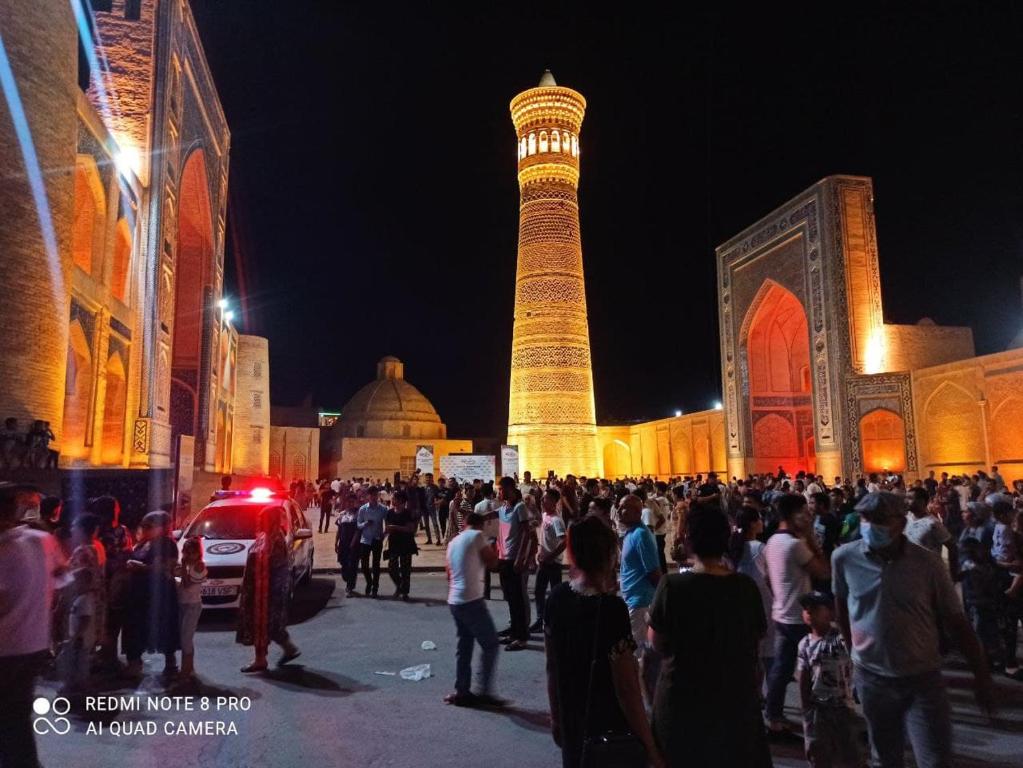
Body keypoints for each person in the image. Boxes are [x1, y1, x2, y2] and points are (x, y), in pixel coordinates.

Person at [833, 492, 995, 767]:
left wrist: (981, 674)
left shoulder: (927, 564)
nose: (870, 525)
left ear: (900, 522)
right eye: (866, 518)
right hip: (873, 678)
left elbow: (956, 621)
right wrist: (855, 658)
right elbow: (843, 610)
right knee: (885, 757)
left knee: (934, 758)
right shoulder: (844, 558)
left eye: (880, 519)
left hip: (922, 678)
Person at [648, 505, 769, 767]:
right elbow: (755, 643)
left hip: (682, 701)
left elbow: (655, 642)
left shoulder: (672, 587)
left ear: (689, 540)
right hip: (735, 701)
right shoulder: (745, 588)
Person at [544, 516, 664, 768]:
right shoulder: (611, 609)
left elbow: (552, 666)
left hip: (572, 719)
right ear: (609, 556)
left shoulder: (557, 598)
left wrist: (556, 717)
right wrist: (651, 746)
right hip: (606, 724)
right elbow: (627, 687)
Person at [0, 483, 67, 768]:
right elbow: (63, 576)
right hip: (34, 644)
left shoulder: (5, 550)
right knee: (16, 717)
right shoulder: (41, 540)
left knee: (10, 719)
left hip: (7, 649)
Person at [763, 492, 830, 738]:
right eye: (804, 511)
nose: (808, 516)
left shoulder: (772, 542)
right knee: (817, 669)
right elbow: (823, 572)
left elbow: (768, 577)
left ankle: (774, 716)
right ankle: (820, 719)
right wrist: (811, 537)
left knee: (781, 669)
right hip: (801, 617)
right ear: (793, 515)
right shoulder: (795, 545)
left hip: (781, 614)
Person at [444, 510, 505, 707]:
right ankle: (484, 691)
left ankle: (462, 690)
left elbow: (448, 574)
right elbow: (493, 563)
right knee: (491, 644)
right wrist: (494, 547)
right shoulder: (477, 536)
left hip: (455, 599)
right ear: (480, 525)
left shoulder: (453, 542)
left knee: (465, 644)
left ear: (465, 524)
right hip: (471, 599)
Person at [796, 591, 861, 768]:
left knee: (848, 754)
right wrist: (806, 710)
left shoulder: (840, 639)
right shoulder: (805, 644)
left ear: (831, 613)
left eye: (815, 608)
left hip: (842, 707)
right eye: (806, 609)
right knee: (818, 753)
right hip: (818, 709)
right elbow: (803, 677)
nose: (809, 611)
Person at [237, 506, 301, 672]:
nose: (260, 523)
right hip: (259, 589)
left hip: (268, 591)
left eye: (263, 520)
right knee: (263, 624)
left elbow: (271, 565)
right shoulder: (265, 537)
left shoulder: (275, 540)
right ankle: (271, 655)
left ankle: (268, 656)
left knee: (269, 624)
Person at [123, 511, 180, 680]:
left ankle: (171, 665)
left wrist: (140, 567)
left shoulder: (167, 544)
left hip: (160, 593)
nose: (145, 529)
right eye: (144, 526)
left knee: (164, 627)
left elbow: (165, 567)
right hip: (139, 593)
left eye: (149, 526)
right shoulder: (143, 544)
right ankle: (134, 664)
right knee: (136, 629)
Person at [618, 493, 662, 704]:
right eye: (619, 507)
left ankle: (645, 705)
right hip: (633, 600)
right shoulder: (630, 534)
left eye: (625, 507)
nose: (619, 511)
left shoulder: (641, 535)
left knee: (638, 656)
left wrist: (661, 600)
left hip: (641, 602)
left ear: (637, 511)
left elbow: (653, 572)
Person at [730, 505, 774, 693]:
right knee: (767, 655)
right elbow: (771, 578)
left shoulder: (734, 546)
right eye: (758, 519)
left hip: (741, 604)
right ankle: (770, 699)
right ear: (752, 524)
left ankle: (753, 695)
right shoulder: (760, 548)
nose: (761, 522)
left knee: (752, 654)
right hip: (763, 603)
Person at [496, 476, 531, 650]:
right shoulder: (503, 508)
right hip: (503, 559)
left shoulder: (520, 507)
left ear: (509, 488)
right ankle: (514, 632)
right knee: (509, 597)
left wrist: (521, 558)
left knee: (518, 599)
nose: (499, 492)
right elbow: (488, 516)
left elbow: (527, 533)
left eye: (501, 489)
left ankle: (522, 637)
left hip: (514, 560)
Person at [531, 488, 566, 634]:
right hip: (544, 562)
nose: (542, 501)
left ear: (553, 502)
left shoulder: (557, 520)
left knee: (555, 594)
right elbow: (544, 537)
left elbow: (564, 541)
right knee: (539, 591)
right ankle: (541, 619)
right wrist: (540, 551)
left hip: (553, 564)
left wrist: (550, 556)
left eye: (545, 499)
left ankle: (555, 621)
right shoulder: (545, 515)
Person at [176, 537, 207, 680]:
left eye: (190, 553)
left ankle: (186, 670)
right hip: (183, 604)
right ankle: (189, 668)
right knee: (185, 638)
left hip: (192, 605)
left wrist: (182, 567)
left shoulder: (199, 565)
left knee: (186, 639)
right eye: (185, 552)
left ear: (197, 553)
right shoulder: (189, 565)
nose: (187, 556)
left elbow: (187, 584)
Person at [385, 490, 418, 601]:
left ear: (400, 500)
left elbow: (411, 529)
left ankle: (405, 592)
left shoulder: (407, 513)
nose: (392, 500)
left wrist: (395, 527)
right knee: (391, 568)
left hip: (406, 543)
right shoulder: (389, 512)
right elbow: (387, 527)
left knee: (405, 569)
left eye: (394, 498)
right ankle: (400, 586)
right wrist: (382, 535)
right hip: (393, 543)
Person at [357, 486, 389, 597]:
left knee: (376, 565)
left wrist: (384, 535)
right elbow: (358, 525)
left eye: (375, 495)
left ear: (378, 496)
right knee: (364, 565)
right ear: (367, 496)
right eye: (371, 495)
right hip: (365, 540)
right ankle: (369, 582)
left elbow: (388, 524)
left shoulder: (383, 509)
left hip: (377, 539)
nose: (373, 497)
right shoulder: (363, 509)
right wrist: (366, 524)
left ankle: (375, 587)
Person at [334, 493, 361, 597]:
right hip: (343, 544)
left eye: (352, 502)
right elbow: (339, 530)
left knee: (352, 566)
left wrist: (352, 544)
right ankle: (348, 581)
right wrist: (336, 542)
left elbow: (358, 531)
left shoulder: (358, 514)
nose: (350, 503)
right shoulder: (342, 514)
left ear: (355, 502)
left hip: (354, 544)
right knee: (344, 565)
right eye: (348, 501)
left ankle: (349, 587)